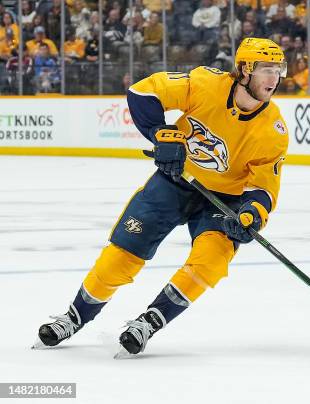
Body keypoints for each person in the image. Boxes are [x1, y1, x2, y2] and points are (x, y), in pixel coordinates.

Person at [33, 38, 289, 357]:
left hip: (223, 200)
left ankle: (150, 321)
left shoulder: (273, 130)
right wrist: (160, 132)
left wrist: (252, 214)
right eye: (266, 69)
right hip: (174, 182)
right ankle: (75, 316)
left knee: (211, 261)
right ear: (244, 70)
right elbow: (143, 91)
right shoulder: (206, 84)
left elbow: (264, 187)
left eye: (278, 70)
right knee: (124, 252)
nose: (274, 78)